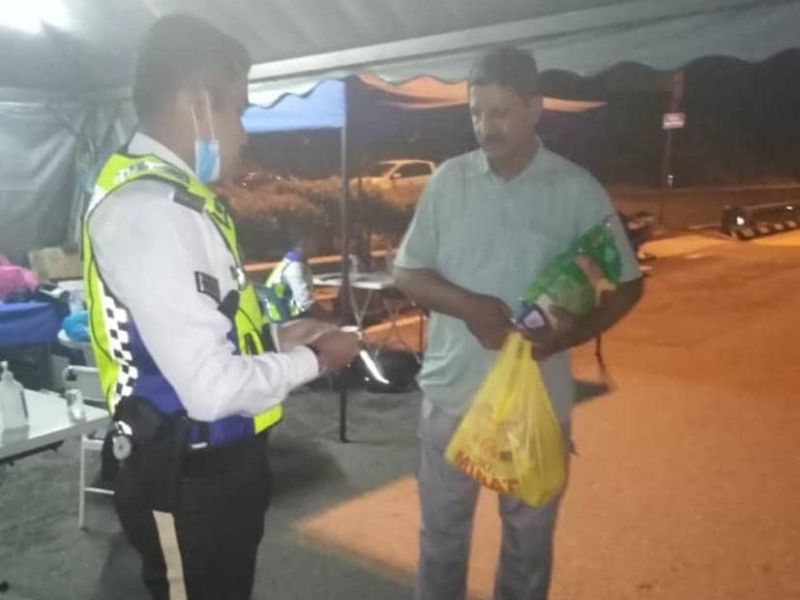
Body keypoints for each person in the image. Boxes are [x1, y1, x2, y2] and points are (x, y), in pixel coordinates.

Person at [82, 14, 359, 600]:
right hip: (186, 480)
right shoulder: (152, 211)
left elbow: (206, 326)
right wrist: (318, 359)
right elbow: (208, 388)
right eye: (239, 109)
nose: (244, 131)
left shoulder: (176, 201)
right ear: (198, 103)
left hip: (213, 468)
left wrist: (278, 337)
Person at [393, 45, 643, 600]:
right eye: (477, 112)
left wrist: (568, 337)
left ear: (536, 107)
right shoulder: (448, 182)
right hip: (452, 400)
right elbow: (406, 271)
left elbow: (628, 285)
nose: (487, 126)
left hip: (536, 406)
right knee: (440, 544)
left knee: (528, 553)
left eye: (501, 112)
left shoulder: (577, 190)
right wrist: (469, 306)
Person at [263, 223, 333, 323]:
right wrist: (330, 319)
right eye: (314, 242)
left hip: (287, 313)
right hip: (280, 319)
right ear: (303, 242)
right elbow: (305, 301)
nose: (318, 245)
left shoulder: (295, 262)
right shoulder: (293, 267)